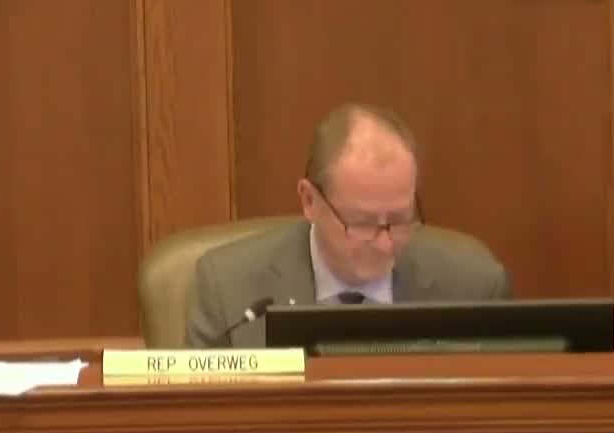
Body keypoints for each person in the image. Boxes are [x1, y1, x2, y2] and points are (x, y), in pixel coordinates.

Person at [185, 104, 510, 348]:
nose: (385, 244)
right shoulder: (228, 288)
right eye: (362, 223)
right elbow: (201, 411)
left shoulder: (474, 287)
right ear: (309, 200)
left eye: (400, 219)